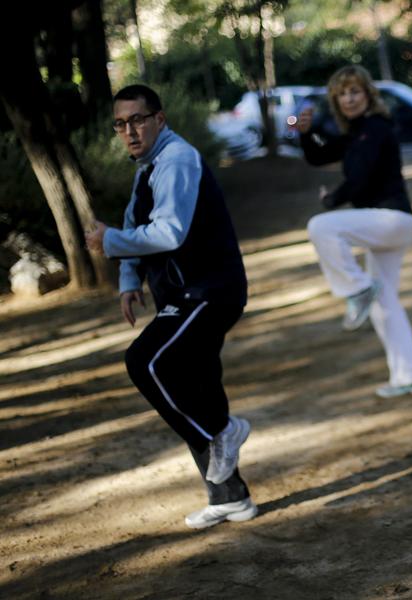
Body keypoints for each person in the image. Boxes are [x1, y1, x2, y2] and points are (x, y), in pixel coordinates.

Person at [84, 84, 257, 529]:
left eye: (138, 119)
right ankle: (230, 497)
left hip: (207, 291)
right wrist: (128, 280)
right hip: (185, 292)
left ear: (159, 119)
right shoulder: (148, 167)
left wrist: (109, 244)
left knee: (145, 362)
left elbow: (169, 232)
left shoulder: (176, 159)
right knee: (196, 385)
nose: (129, 130)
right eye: (121, 124)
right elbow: (133, 220)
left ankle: (223, 432)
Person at [296, 65, 412, 398]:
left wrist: (331, 199)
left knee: (320, 227)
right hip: (383, 223)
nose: (348, 98)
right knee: (385, 302)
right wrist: (305, 131)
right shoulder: (356, 133)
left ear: (368, 94)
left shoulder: (375, 127)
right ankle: (411, 376)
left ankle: (356, 288)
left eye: (354, 91)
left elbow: (360, 179)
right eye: (342, 94)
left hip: (391, 219)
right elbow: (320, 154)